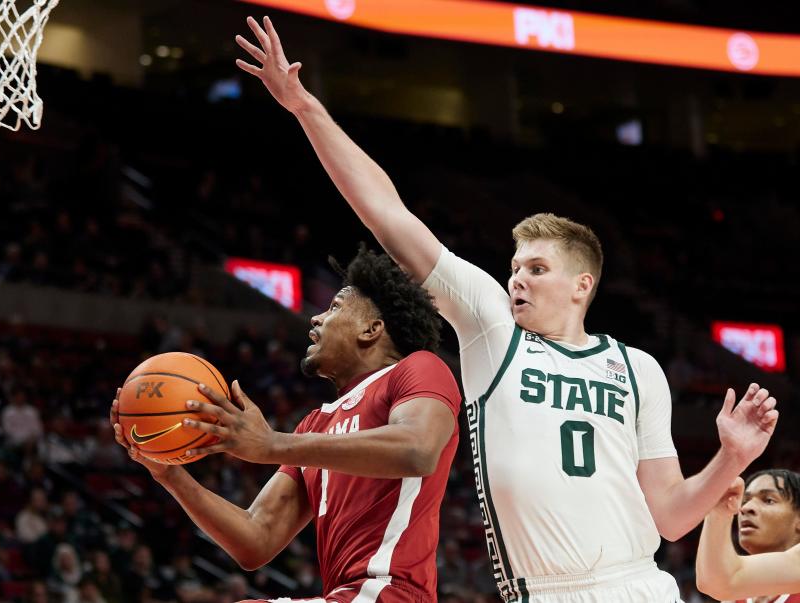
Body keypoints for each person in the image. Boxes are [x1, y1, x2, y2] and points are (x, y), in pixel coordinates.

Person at [233, 16, 780, 602]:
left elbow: (671, 516)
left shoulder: (639, 368)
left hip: (638, 585)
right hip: (540, 592)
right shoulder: (495, 331)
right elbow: (389, 217)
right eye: (514, 267)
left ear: (582, 285)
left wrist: (731, 457)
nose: (517, 279)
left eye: (537, 270)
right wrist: (304, 108)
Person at [112, 247, 462, 602]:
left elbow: (417, 449)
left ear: (372, 329)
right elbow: (256, 539)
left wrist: (272, 445)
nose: (316, 319)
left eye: (335, 307)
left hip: (390, 593)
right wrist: (169, 474)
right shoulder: (314, 425)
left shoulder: (418, 368)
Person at [697, 470, 800, 602]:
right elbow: (716, 581)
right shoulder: (732, 597)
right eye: (744, 501)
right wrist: (719, 506)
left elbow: (722, 580)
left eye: (768, 500)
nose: (745, 508)